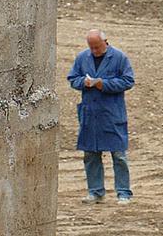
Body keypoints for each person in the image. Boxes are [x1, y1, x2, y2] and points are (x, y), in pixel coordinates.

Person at [67, 29, 136, 204]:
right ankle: (95, 192)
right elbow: (72, 78)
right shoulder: (83, 57)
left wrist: (103, 84)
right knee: (90, 154)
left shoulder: (120, 57)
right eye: (91, 47)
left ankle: (123, 193)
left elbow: (128, 81)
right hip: (90, 114)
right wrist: (83, 82)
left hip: (112, 114)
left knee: (119, 155)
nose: (94, 51)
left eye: (97, 47)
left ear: (106, 42)